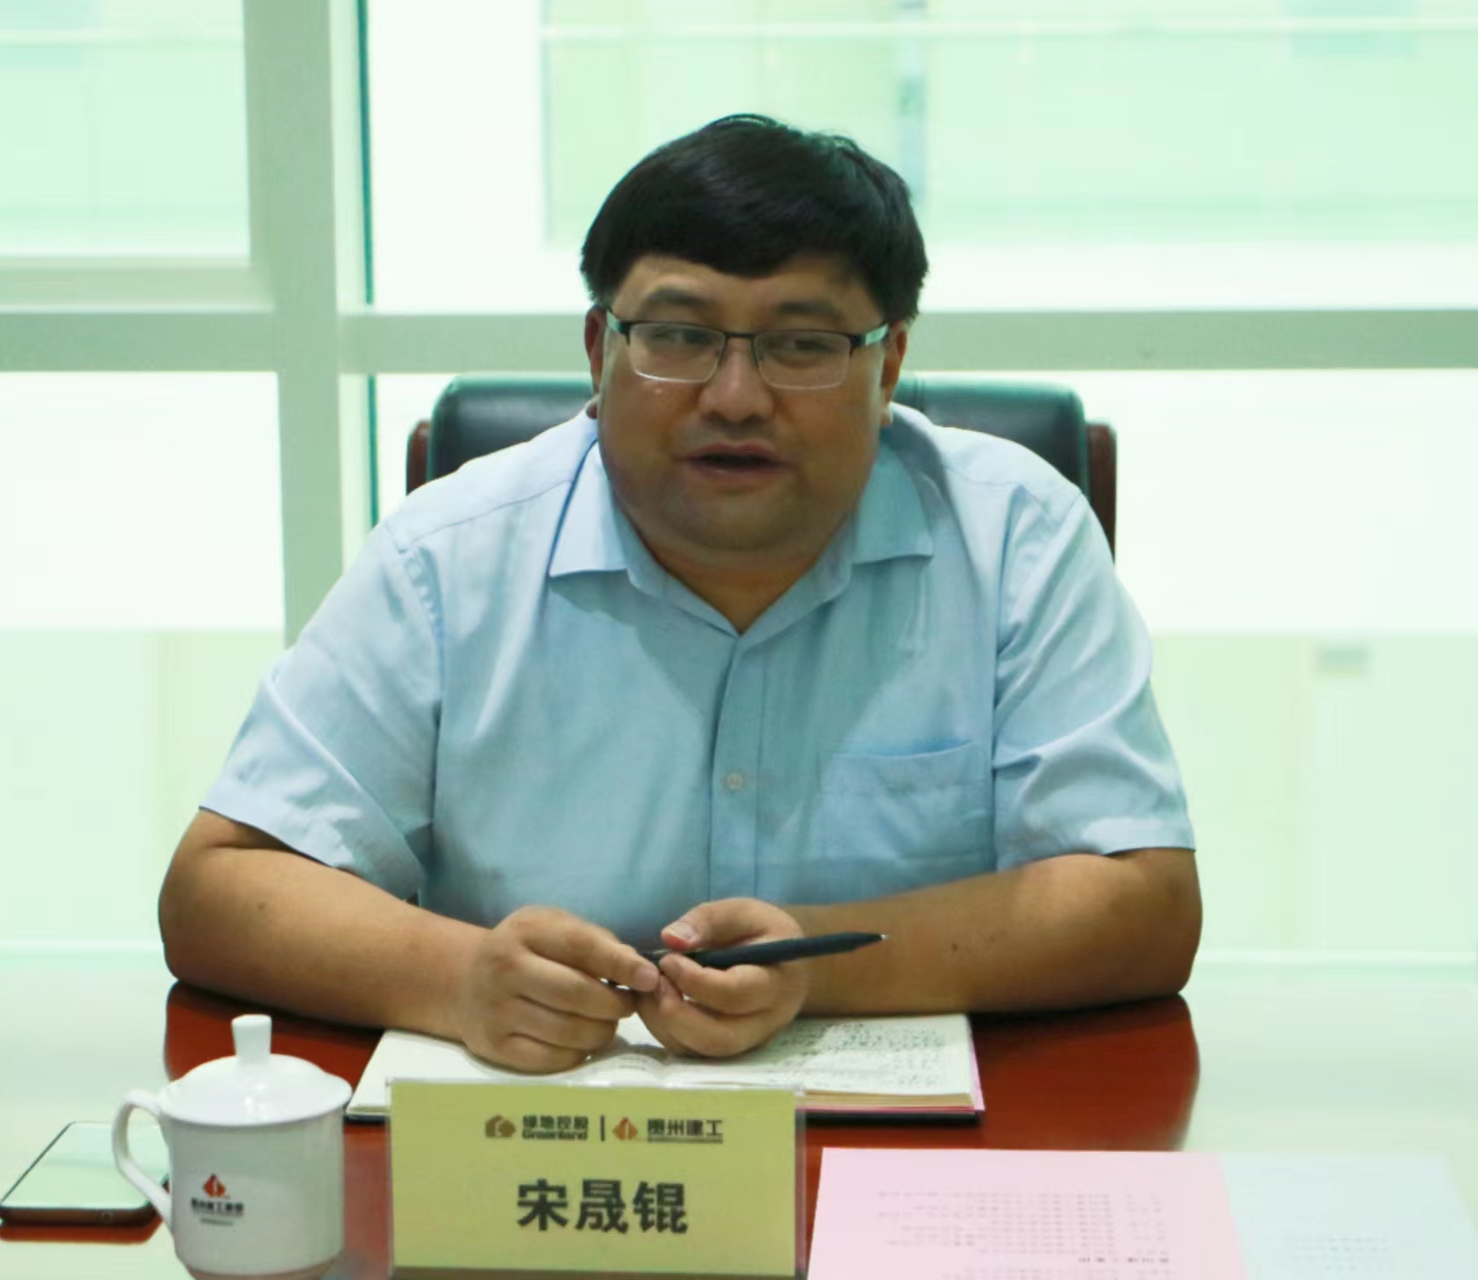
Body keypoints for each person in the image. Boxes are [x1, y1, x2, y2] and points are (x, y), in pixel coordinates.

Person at [160, 114, 1200, 1073]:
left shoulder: (1014, 537)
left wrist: (815, 965)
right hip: (539, 1146)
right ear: (598, 353)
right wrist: (460, 977)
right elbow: (221, 886)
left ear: (887, 369)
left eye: (802, 345)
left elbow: (1144, 901)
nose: (735, 398)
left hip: (909, 1162)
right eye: (679, 336)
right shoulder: (450, 557)